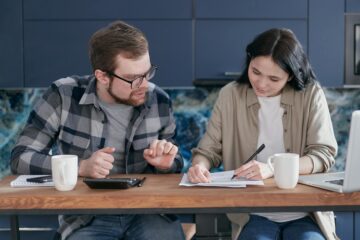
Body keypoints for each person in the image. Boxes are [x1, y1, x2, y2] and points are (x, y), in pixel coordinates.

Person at [11, 20, 185, 240]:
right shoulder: (63, 95)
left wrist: (168, 161)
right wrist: (81, 167)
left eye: (148, 72)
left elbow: (178, 161)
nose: (144, 84)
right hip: (86, 216)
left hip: (148, 211)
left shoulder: (159, 100)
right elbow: (21, 159)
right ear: (102, 76)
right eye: (133, 78)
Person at [187, 28, 339, 240]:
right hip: (252, 213)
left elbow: (323, 154)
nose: (261, 84)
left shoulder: (311, 94)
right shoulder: (230, 95)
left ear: (291, 76)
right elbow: (208, 150)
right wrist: (199, 166)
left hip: (306, 212)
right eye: (255, 72)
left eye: (274, 78)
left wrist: (272, 169)